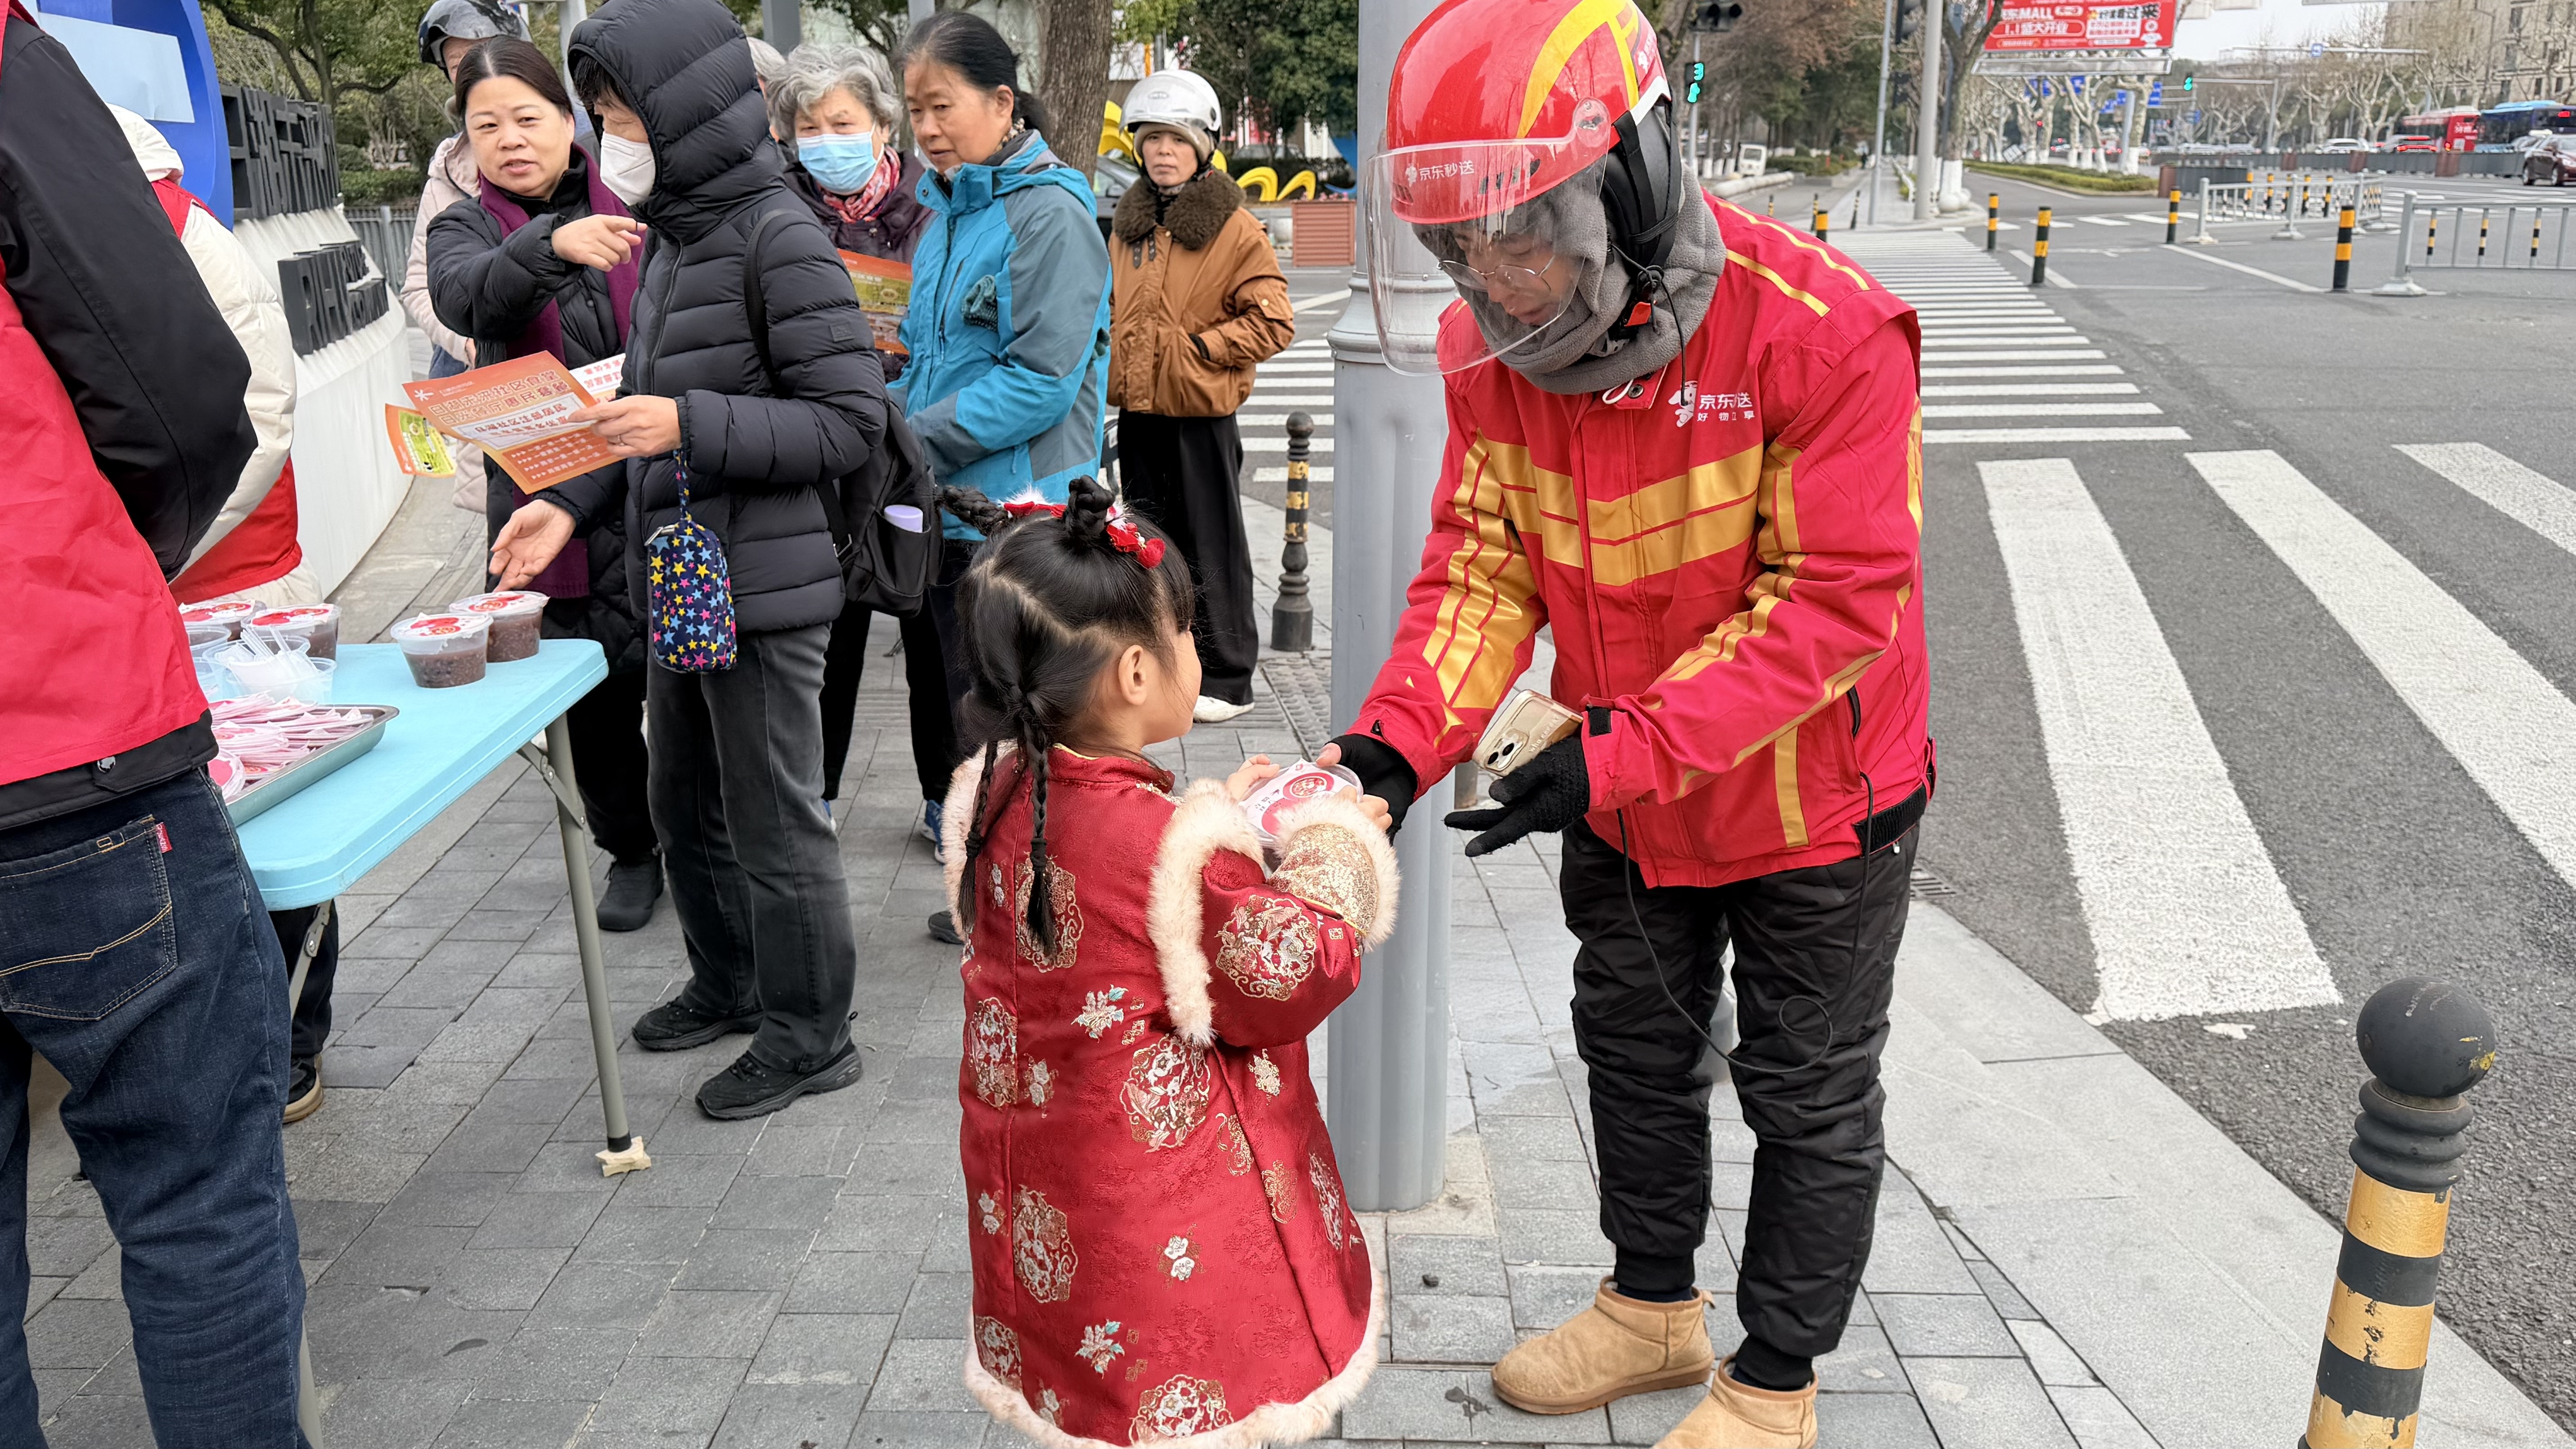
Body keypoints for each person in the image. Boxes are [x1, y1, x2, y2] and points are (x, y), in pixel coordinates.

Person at [1325, 1, 1928, 1444]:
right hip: (1628, 786)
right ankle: (1650, 1307)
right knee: (1633, 1047)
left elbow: (1833, 604)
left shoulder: (1822, 331)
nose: (1492, 278)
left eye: (1522, 231)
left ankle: (1772, 1382)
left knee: (1805, 1089)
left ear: (1635, 181)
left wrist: (1611, 750)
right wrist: (1386, 751)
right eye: (1455, 246)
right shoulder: (1491, 354)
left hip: (1814, 800)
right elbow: (1482, 566)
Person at [489, 0, 888, 1121]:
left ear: (686, 112)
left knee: (773, 815)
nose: (611, 137)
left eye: (624, 114)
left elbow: (848, 424)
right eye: (604, 115)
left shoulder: (780, 235)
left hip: (765, 583)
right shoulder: (679, 237)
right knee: (681, 796)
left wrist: (695, 427)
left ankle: (812, 1033)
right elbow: (635, 405)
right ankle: (729, 982)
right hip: (682, 573)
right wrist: (567, 506)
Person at [0, 3, 308, 1440]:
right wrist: (93, 566)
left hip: (66, 729)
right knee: (196, 1206)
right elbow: (185, 391)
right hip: (69, 745)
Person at [938, 478, 1393, 1449]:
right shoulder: (1172, 849)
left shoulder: (1000, 793)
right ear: (1138, 675)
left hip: (1051, 1203)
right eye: (1185, 632)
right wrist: (1334, 839)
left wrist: (1215, 816)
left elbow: (1117, 904)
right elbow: (1292, 965)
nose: (1197, 650)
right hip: (1165, 1223)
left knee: (1091, 1398)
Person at [112, 103, 348, 1125]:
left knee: (284, 836)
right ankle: (220, 1036)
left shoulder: (182, 236)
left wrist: (148, 551)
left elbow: (259, 416)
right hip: (141, 602)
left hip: (242, 596)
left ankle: (291, 1040)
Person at [426, 37, 662, 932]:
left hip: (651, 484)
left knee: (676, 686)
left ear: (571, 122)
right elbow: (466, 296)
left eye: (529, 117)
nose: (511, 139)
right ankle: (631, 850)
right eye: (488, 125)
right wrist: (549, 245)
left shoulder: (638, 211)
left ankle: (696, 836)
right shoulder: (466, 226)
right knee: (595, 698)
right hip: (544, 505)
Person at [893, 9, 1110, 943]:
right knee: (969, 713)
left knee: (1022, 722)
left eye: (942, 106)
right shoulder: (942, 216)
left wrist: (905, 435)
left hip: (1016, 518)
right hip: (944, 508)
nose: (928, 128)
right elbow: (930, 354)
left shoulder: (1049, 216)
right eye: (915, 111)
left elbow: (1038, 382)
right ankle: (998, 882)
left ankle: (1044, 901)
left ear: (1002, 101)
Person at [774, 42, 954, 839]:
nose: (825, 140)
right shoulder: (777, 215)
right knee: (828, 634)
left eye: (841, 122)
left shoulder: (940, 209)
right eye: (809, 127)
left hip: (918, 453)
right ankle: (816, 790)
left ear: (884, 126)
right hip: (825, 458)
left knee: (935, 633)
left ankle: (947, 793)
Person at [1106, 68, 1295, 725]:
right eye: (1152, 139)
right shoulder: (1128, 227)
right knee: (1150, 545)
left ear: (1204, 145)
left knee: (1213, 545)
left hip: (1200, 417)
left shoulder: (1235, 228)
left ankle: (1229, 676)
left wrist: (1199, 352)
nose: (1163, 151)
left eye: (1177, 140)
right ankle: (1171, 662)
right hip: (1139, 414)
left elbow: (1275, 321)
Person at [410, 0, 524, 518]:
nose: (470, 72)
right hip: (490, 403)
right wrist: (467, 339)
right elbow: (418, 284)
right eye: (456, 64)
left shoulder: (578, 154)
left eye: (480, 54)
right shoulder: (447, 175)